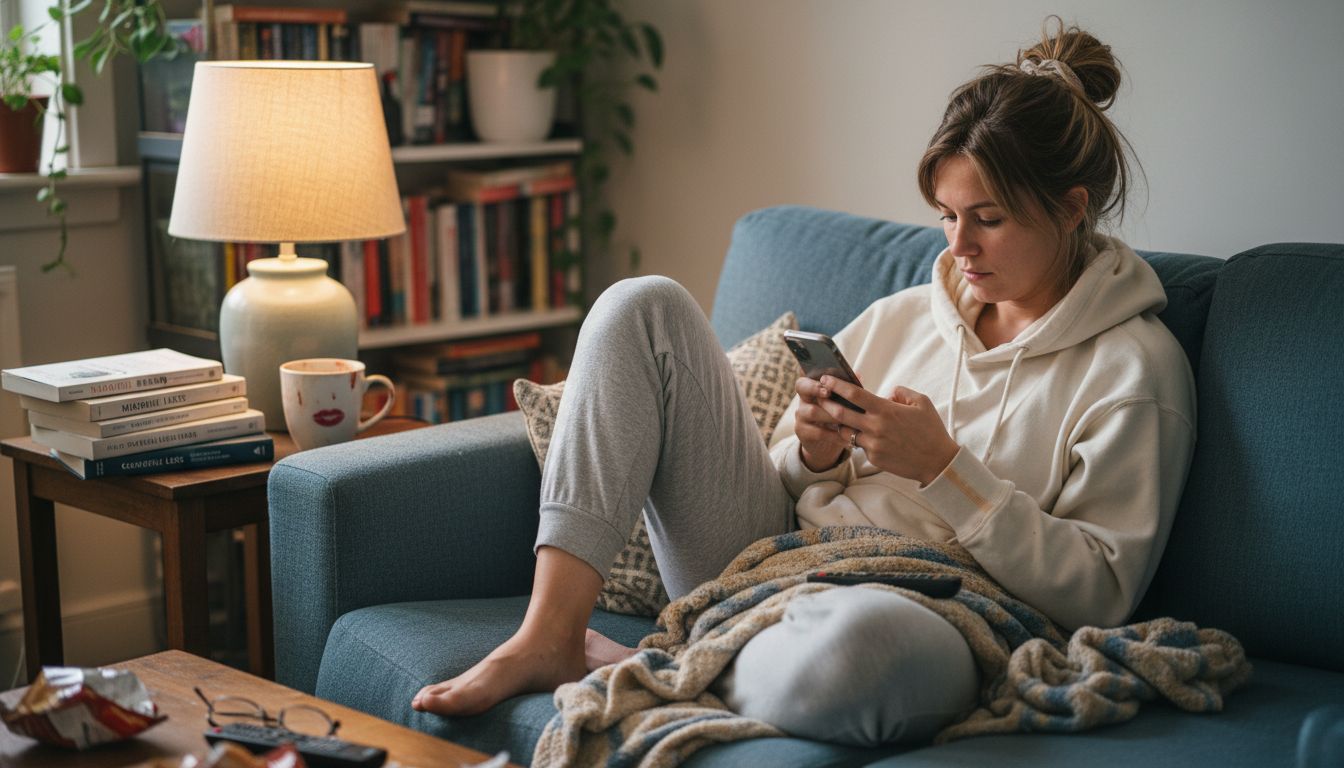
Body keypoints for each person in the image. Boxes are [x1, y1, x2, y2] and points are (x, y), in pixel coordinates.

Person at [411, 17, 1196, 747]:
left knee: (853, 664)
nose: (960, 246)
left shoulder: (1134, 370)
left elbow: (1101, 592)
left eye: (987, 218)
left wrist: (945, 471)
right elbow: (787, 466)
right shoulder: (906, 315)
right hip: (776, 555)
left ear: (1070, 209)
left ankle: (672, 661)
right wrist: (813, 453)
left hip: (937, 606)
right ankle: (552, 633)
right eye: (947, 215)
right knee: (639, 306)